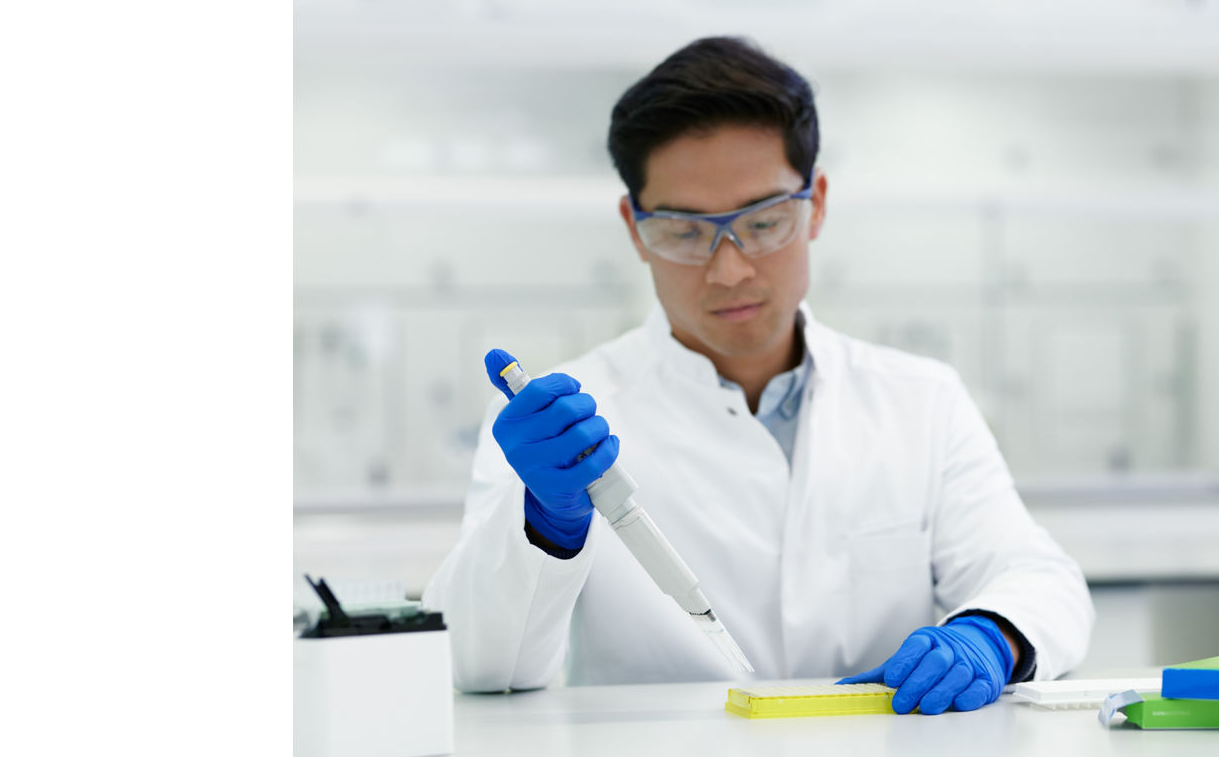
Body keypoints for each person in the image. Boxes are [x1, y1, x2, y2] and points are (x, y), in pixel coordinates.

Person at [423, 36, 1093, 716]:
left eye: (766, 222)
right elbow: (478, 663)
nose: (731, 269)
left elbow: (1038, 578)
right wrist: (544, 526)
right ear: (634, 227)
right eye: (685, 232)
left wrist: (991, 634)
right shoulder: (569, 420)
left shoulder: (920, 399)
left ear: (818, 202)